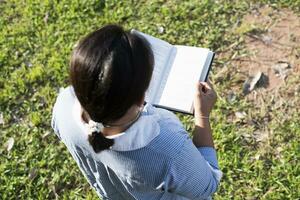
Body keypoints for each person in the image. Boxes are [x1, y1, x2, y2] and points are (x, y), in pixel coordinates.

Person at [51, 24, 222, 200]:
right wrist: (202, 115)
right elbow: (208, 184)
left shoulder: (62, 107)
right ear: (142, 98)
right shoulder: (167, 149)